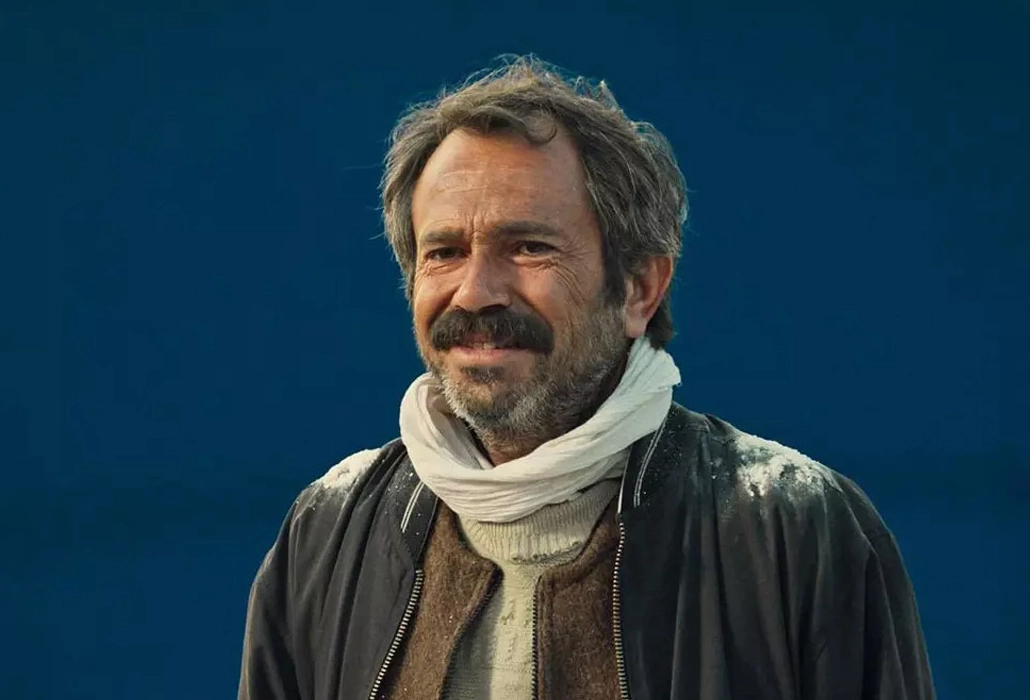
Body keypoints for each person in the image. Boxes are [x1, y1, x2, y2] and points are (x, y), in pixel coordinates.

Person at [238, 56, 935, 700]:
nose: (475, 293)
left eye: (528, 247)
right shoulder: (328, 533)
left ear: (639, 289)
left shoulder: (794, 530)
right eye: (444, 252)